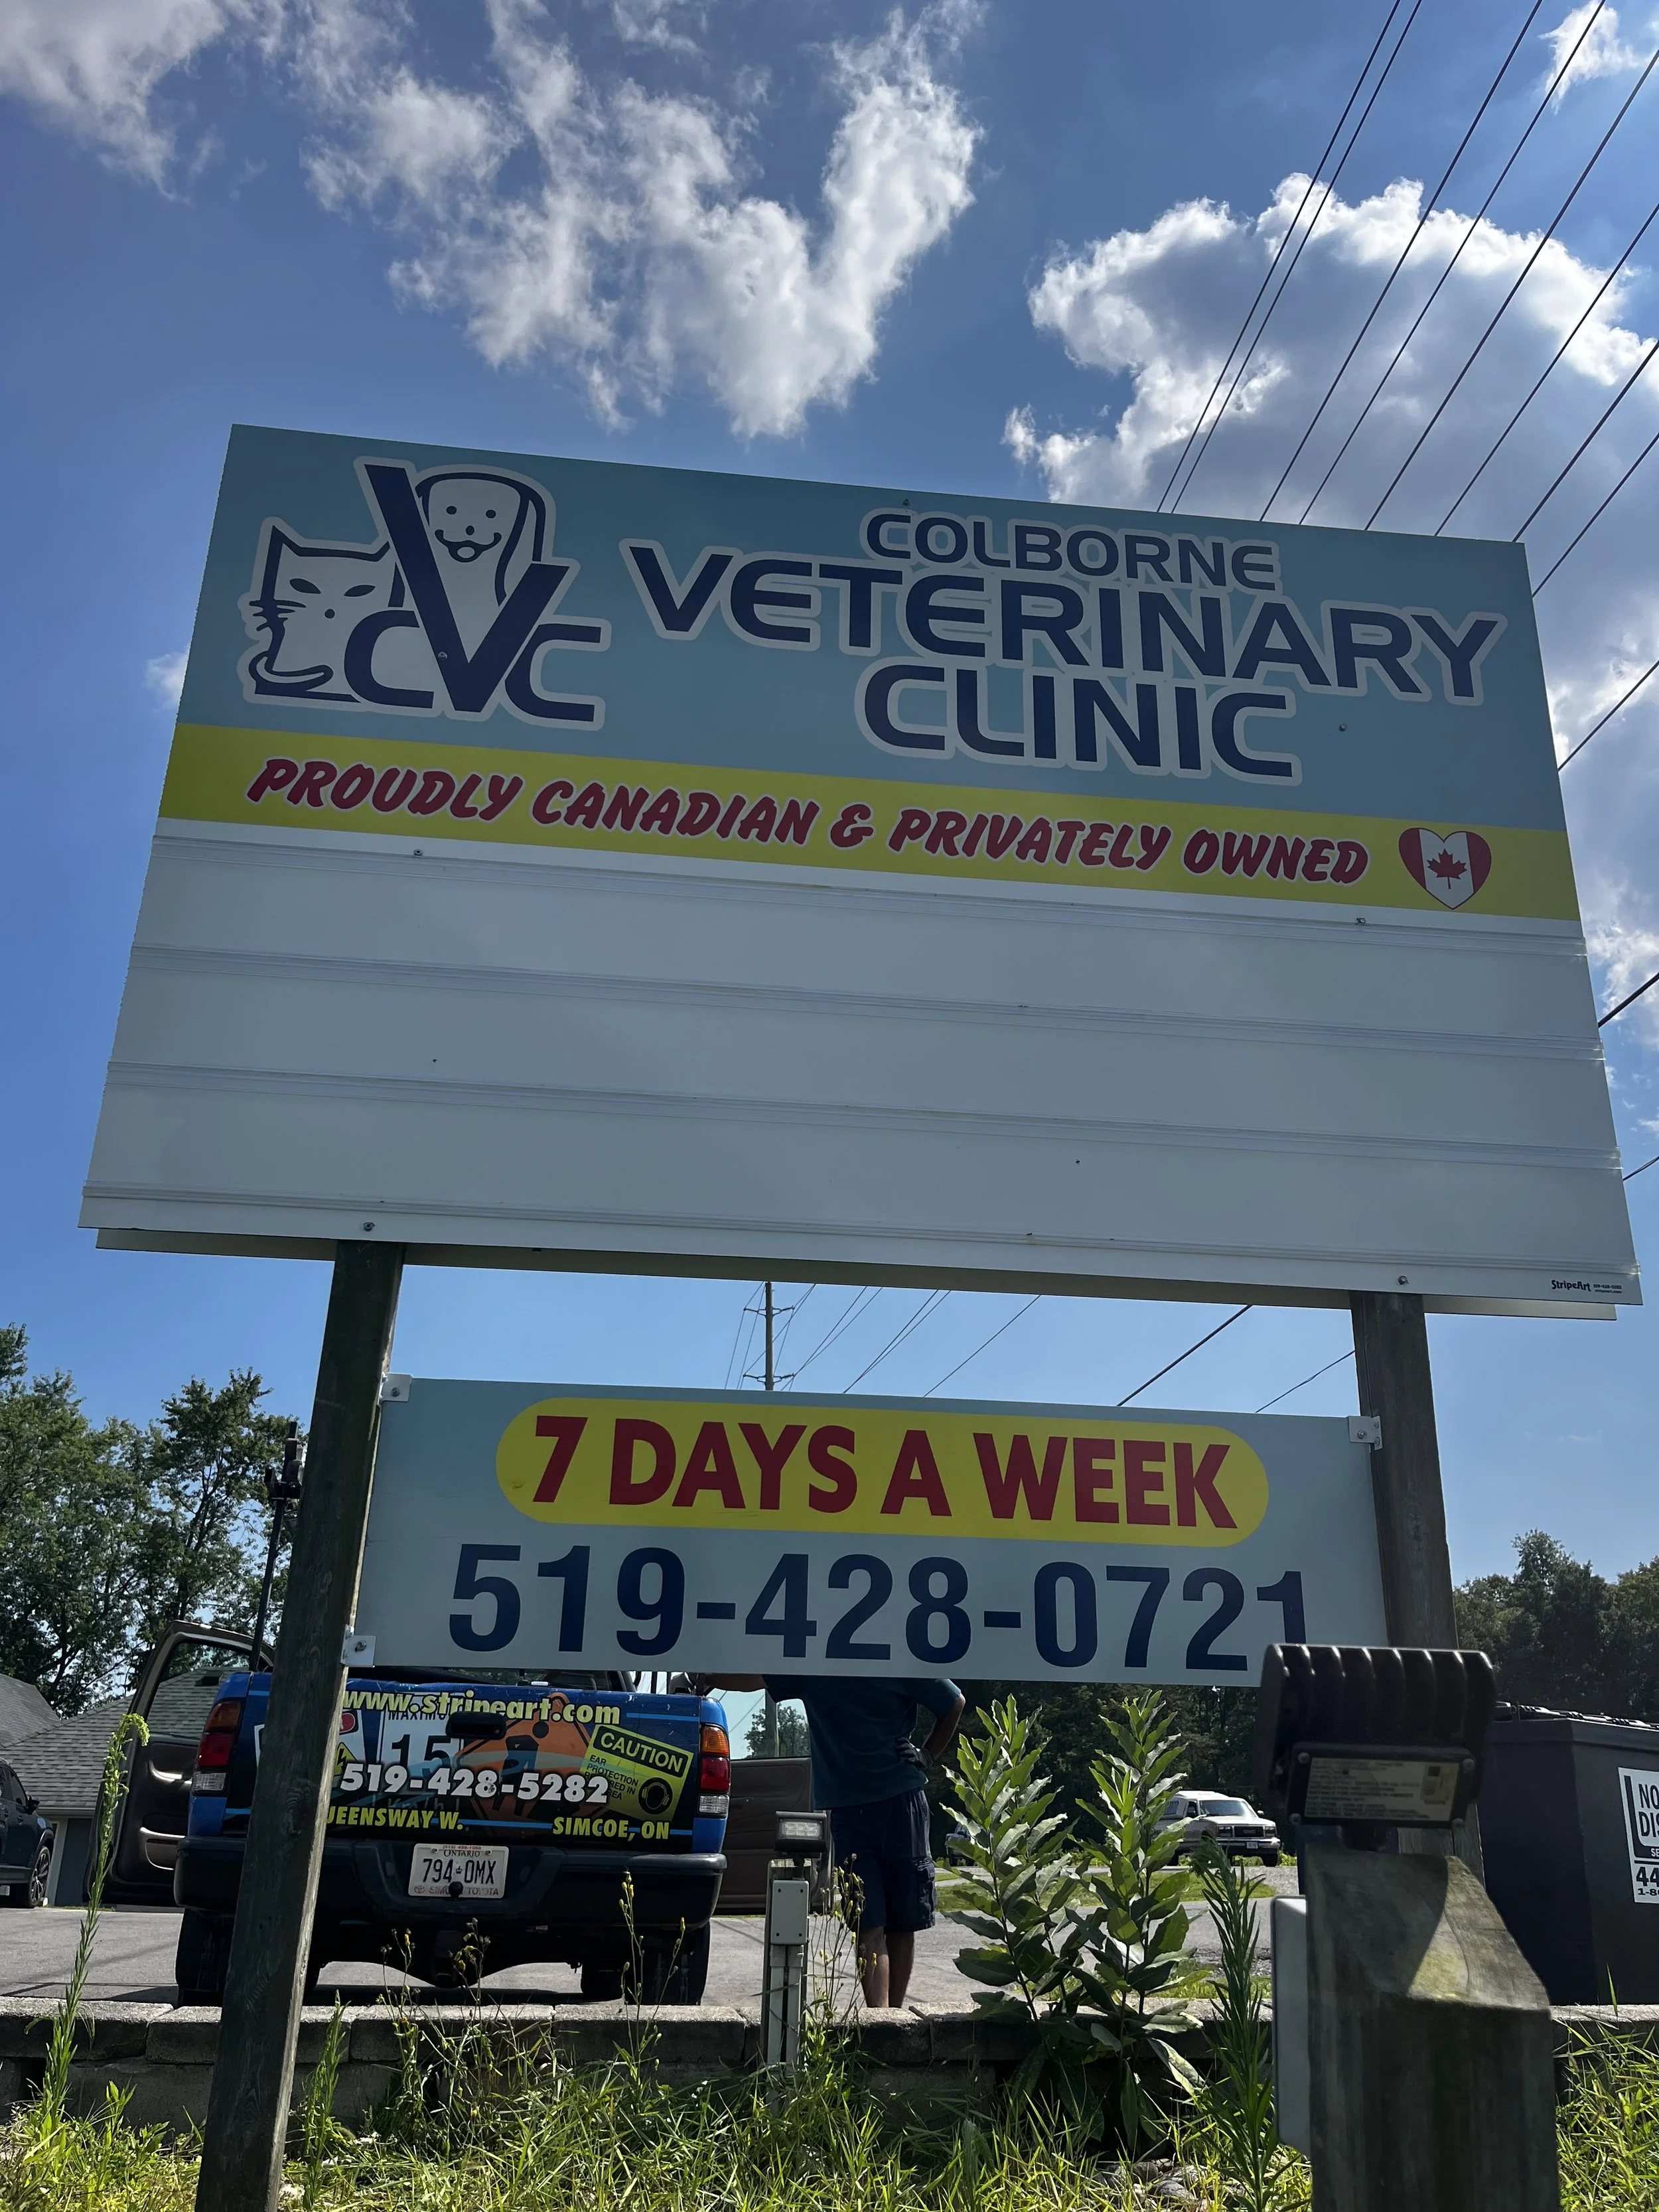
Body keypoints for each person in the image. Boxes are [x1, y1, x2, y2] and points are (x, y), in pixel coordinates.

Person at [712, 1674, 964, 2007]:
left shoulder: (899, 1655)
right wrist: (704, 1676)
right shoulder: (814, 1665)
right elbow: (755, 1677)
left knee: (903, 1923)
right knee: (868, 1923)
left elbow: (954, 1702)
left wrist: (928, 1755)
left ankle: (894, 2024)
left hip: (902, 1803)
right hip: (849, 1814)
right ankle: (881, 2026)